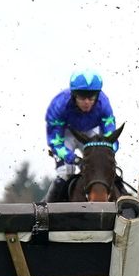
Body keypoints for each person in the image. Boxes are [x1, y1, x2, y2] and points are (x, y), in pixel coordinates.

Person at [43, 68, 119, 202]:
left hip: (91, 132)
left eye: (91, 97)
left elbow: (110, 133)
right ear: (74, 95)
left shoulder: (104, 103)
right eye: (82, 97)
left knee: (105, 166)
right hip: (66, 134)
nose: (87, 102)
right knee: (66, 171)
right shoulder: (59, 105)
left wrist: (108, 150)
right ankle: (46, 211)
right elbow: (55, 142)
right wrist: (74, 159)